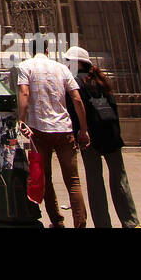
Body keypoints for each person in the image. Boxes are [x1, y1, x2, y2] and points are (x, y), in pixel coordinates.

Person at [16, 39, 90, 228]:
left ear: (30, 51)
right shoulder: (61, 68)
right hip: (64, 129)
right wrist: (83, 129)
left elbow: (24, 93)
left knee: (46, 179)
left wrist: (21, 120)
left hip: (40, 130)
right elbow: (77, 99)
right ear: (48, 50)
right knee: (73, 181)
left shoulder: (25, 67)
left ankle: (57, 221)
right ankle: (80, 223)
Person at [63, 46, 139, 228]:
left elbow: (75, 109)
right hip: (111, 135)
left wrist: (80, 132)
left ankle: (103, 224)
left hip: (90, 136)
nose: (66, 64)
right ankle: (131, 222)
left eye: (68, 61)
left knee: (95, 182)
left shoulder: (74, 83)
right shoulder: (101, 80)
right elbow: (113, 108)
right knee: (120, 179)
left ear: (77, 63)